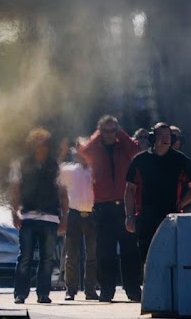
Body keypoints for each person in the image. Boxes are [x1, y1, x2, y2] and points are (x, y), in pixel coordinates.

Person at [125, 123, 191, 267]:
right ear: (152, 138)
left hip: (171, 217)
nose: (165, 139)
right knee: (147, 260)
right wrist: (129, 216)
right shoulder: (140, 160)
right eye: (160, 135)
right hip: (146, 218)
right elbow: (129, 189)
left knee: (171, 258)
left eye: (168, 136)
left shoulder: (181, 160)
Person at [78, 115, 142, 303]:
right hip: (103, 207)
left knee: (130, 250)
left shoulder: (124, 146)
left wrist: (120, 134)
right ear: (100, 132)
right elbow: (84, 150)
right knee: (105, 252)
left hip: (124, 205)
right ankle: (107, 290)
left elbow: (136, 149)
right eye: (105, 131)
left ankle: (133, 290)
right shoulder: (95, 148)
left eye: (113, 130)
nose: (109, 134)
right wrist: (99, 134)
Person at [10, 128, 69, 304]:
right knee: (25, 257)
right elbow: (15, 191)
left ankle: (43, 294)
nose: (40, 147)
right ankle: (20, 294)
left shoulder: (56, 166)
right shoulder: (20, 164)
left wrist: (65, 218)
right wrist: (14, 213)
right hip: (28, 216)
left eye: (43, 143)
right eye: (36, 143)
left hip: (50, 218)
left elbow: (63, 194)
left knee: (47, 259)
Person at [59, 140, 98, 301]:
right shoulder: (69, 169)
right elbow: (55, 171)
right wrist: (62, 152)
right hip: (74, 214)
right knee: (71, 255)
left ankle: (90, 289)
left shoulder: (95, 170)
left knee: (92, 255)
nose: (81, 154)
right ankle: (71, 290)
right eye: (79, 151)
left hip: (92, 214)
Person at [170, 126, 191, 213]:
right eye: (172, 137)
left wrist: (181, 204)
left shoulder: (184, 161)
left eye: (178, 138)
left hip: (174, 211)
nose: (175, 141)